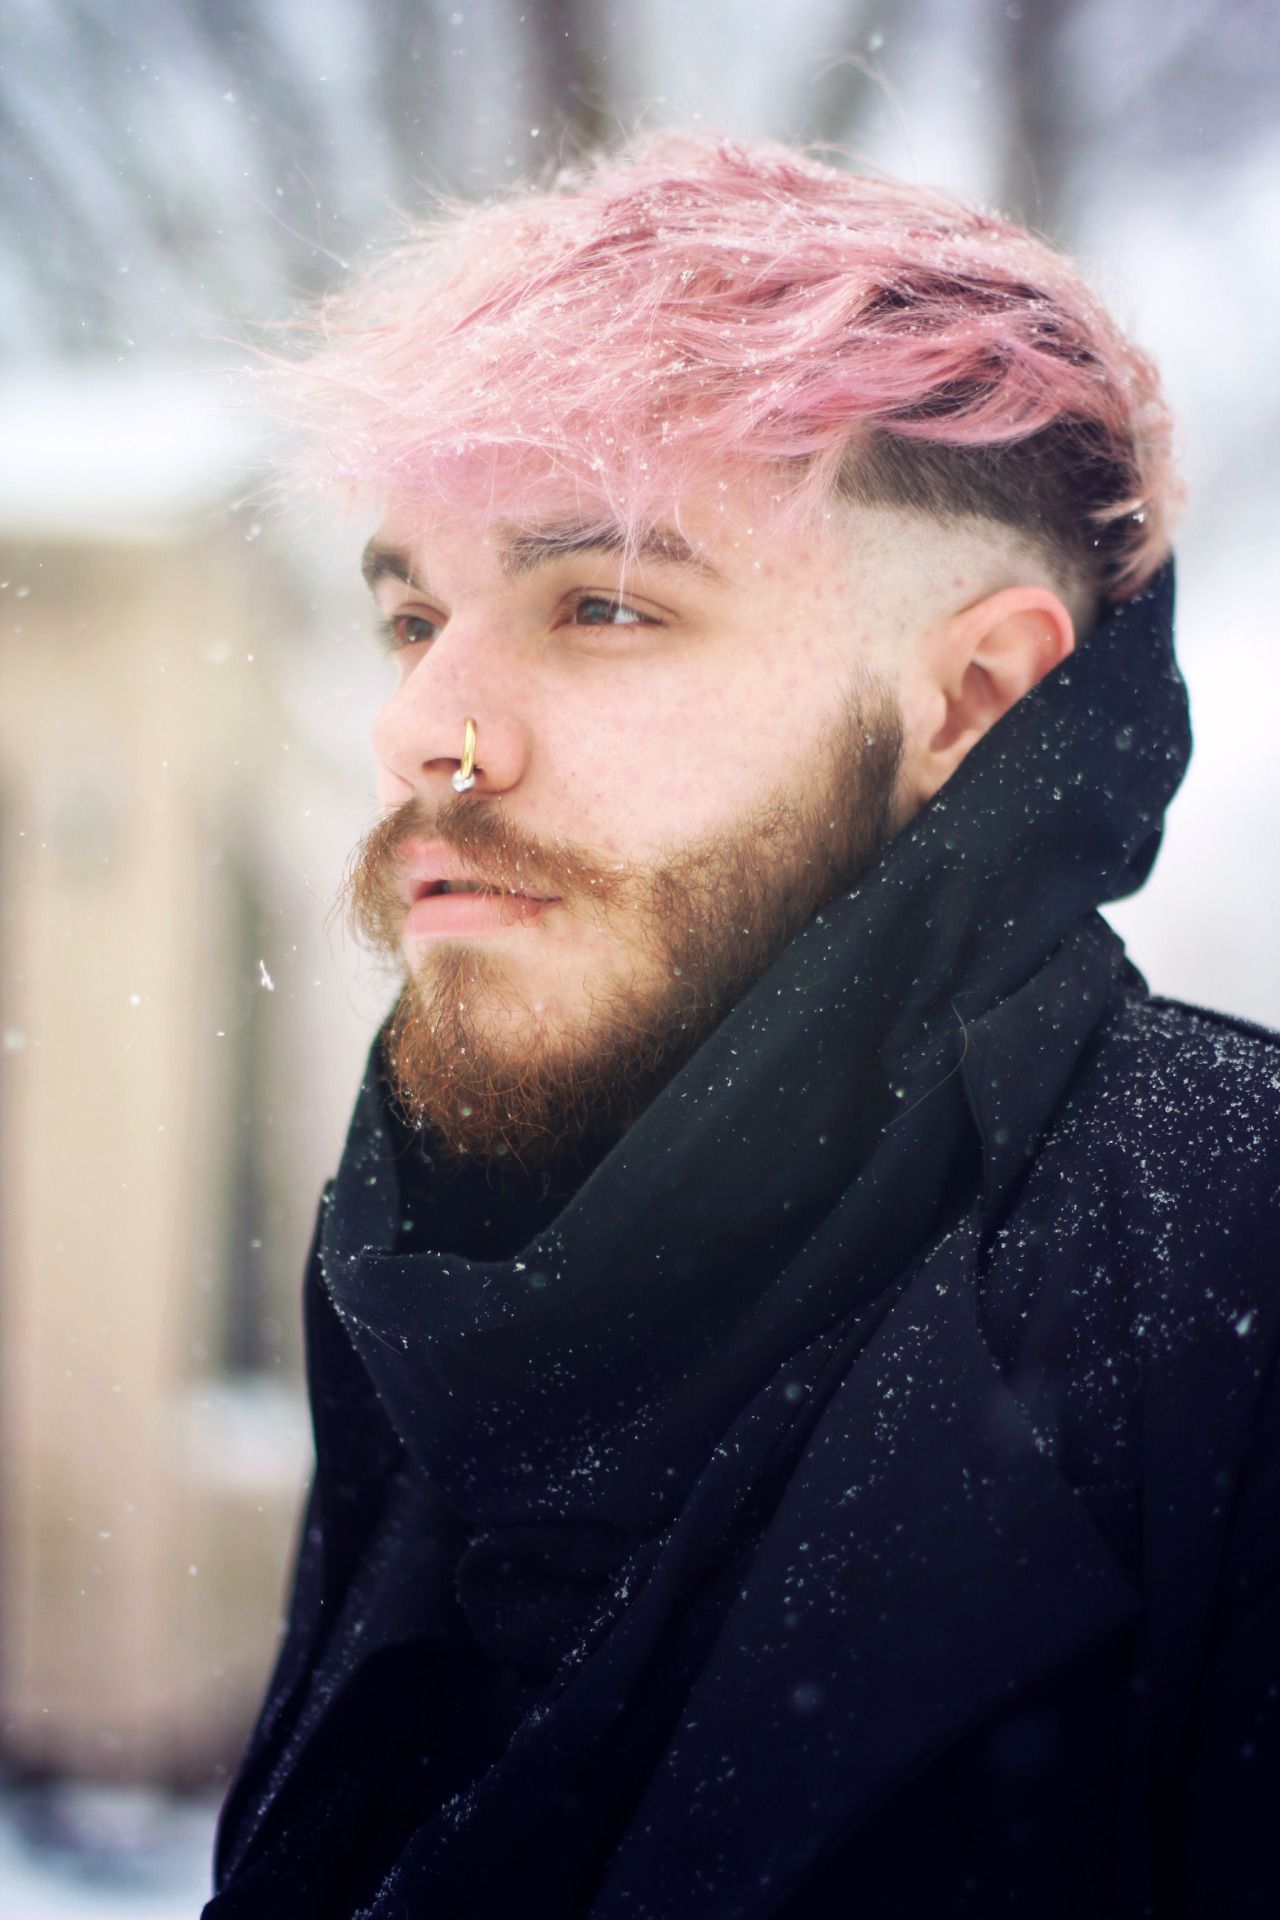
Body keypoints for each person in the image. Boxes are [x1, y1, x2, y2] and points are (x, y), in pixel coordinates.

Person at [205, 134, 1279, 1918]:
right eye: (416, 615)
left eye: (604, 602)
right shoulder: (439, 1278)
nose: (424, 731)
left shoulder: (1231, 1277)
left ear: (973, 693)